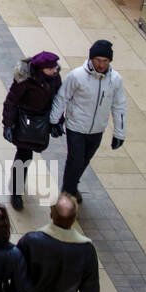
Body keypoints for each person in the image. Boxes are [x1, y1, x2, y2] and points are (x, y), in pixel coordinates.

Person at [16, 194, 100, 292]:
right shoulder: (86, 250)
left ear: (51, 214)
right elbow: (90, 284)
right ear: (75, 218)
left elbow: (17, 269)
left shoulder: (32, 240)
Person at [51, 40, 127, 204]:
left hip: (97, 130)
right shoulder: (76, 76)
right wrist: (53, 121)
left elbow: (119, 106)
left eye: (105, 61)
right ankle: (67, 195)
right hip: (76, 127)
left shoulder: (115, 80)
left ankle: (71, 186)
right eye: (98, 60)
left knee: (84, 161)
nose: (101, 64)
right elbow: (62, 97)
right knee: (75, 161)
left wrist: (119, 133)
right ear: (91, 58)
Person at [2, 51, 63, 211]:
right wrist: (8, 124)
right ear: (41, 69)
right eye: (51, 68)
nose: (55, 70)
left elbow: (58, 100)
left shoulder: (55, 79)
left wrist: (58, 121)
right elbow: (11, 101)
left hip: (42, 121)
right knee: (24, 156)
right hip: (25, 122)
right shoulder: (24, 78)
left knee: (29, 154)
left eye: (55, 67)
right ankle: (16, 191)